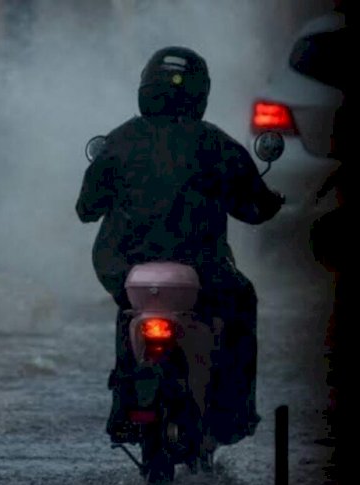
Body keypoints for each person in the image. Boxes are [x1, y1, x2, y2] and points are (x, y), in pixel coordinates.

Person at [75, 46, 285, 444]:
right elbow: (255, 208)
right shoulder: (217, 144)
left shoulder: (118, 142)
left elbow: (86, 209)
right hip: (203, 272)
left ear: (145, 89)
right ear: (200, 94)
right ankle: (233, 416)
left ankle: (124, 408)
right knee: (243, 302)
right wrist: (274, 200)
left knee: (127, 315)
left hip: (124, 270)